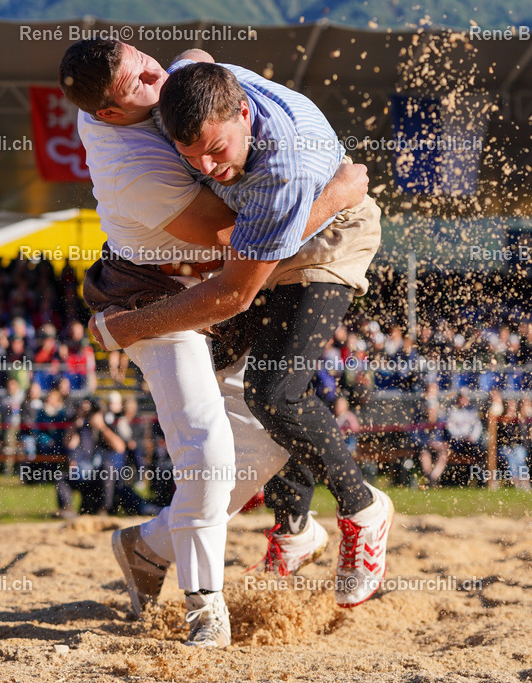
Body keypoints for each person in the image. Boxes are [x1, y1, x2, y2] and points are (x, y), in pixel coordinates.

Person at [59, 39, 367, 647]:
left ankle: (149, 547)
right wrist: (335, 197)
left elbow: (195, 56)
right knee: (207, 446)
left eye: (145, 60)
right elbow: (239, 240)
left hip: (198, 288)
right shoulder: (133, 165)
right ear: (111, 113)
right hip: (152, 297)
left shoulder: (156, 98)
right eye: (140, 81)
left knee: (267, 434)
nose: (157, 73)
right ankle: (205, 609)